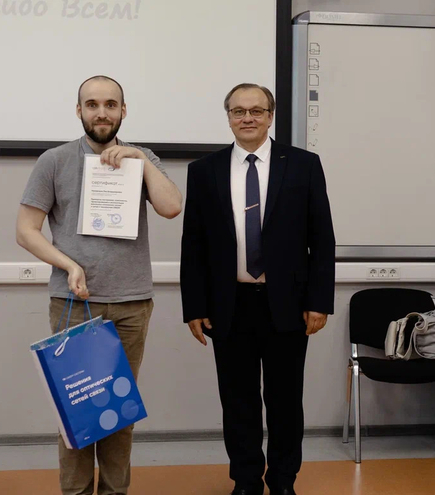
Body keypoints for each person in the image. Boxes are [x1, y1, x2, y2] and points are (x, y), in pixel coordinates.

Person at [16, 75, 183, 495]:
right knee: (77, 410)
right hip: (74, 303)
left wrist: (139, 160)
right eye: (92, 104)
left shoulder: (142, 158)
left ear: (123, 111)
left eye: (111, 104)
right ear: (79, 111)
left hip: (131, 304)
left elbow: (171, 207)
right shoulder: (54, 161)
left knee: (118, 413)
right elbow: (26, 231)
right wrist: (68, 265)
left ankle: (114, 491)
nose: (102, 112)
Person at [180, 83, 335, 495]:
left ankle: (283, 481)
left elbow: (322, 239)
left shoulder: (303, 165)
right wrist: (194, 306)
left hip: (288, 304)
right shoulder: (204, 170)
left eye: (256, 110)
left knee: (285, 402)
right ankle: (246, 481)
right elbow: (193, 245)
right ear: (228, 117)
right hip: (229, 305)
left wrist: (319, 300)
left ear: (270, 115)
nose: (247, 118)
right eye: (238, 111)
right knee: (238, 402)